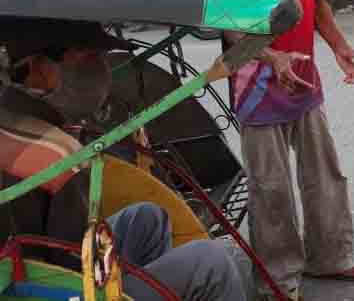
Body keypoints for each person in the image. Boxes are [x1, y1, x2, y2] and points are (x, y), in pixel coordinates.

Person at [187, 0, 354, 301]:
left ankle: (330, 257)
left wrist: (340, 47)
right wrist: (273, 59)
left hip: (304, 78)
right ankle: (279, 278)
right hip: (256, 87)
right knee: (270, 187)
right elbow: (232, 27)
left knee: (325, 173)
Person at [0, 18, 247, 301]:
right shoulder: (56, 155)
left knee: (147, 217)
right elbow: (69, 269)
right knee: (210, 263)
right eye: (87, 57)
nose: (99, 69)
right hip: (54, 288)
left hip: (42, 264)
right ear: (36, 69)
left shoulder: (12, 119)